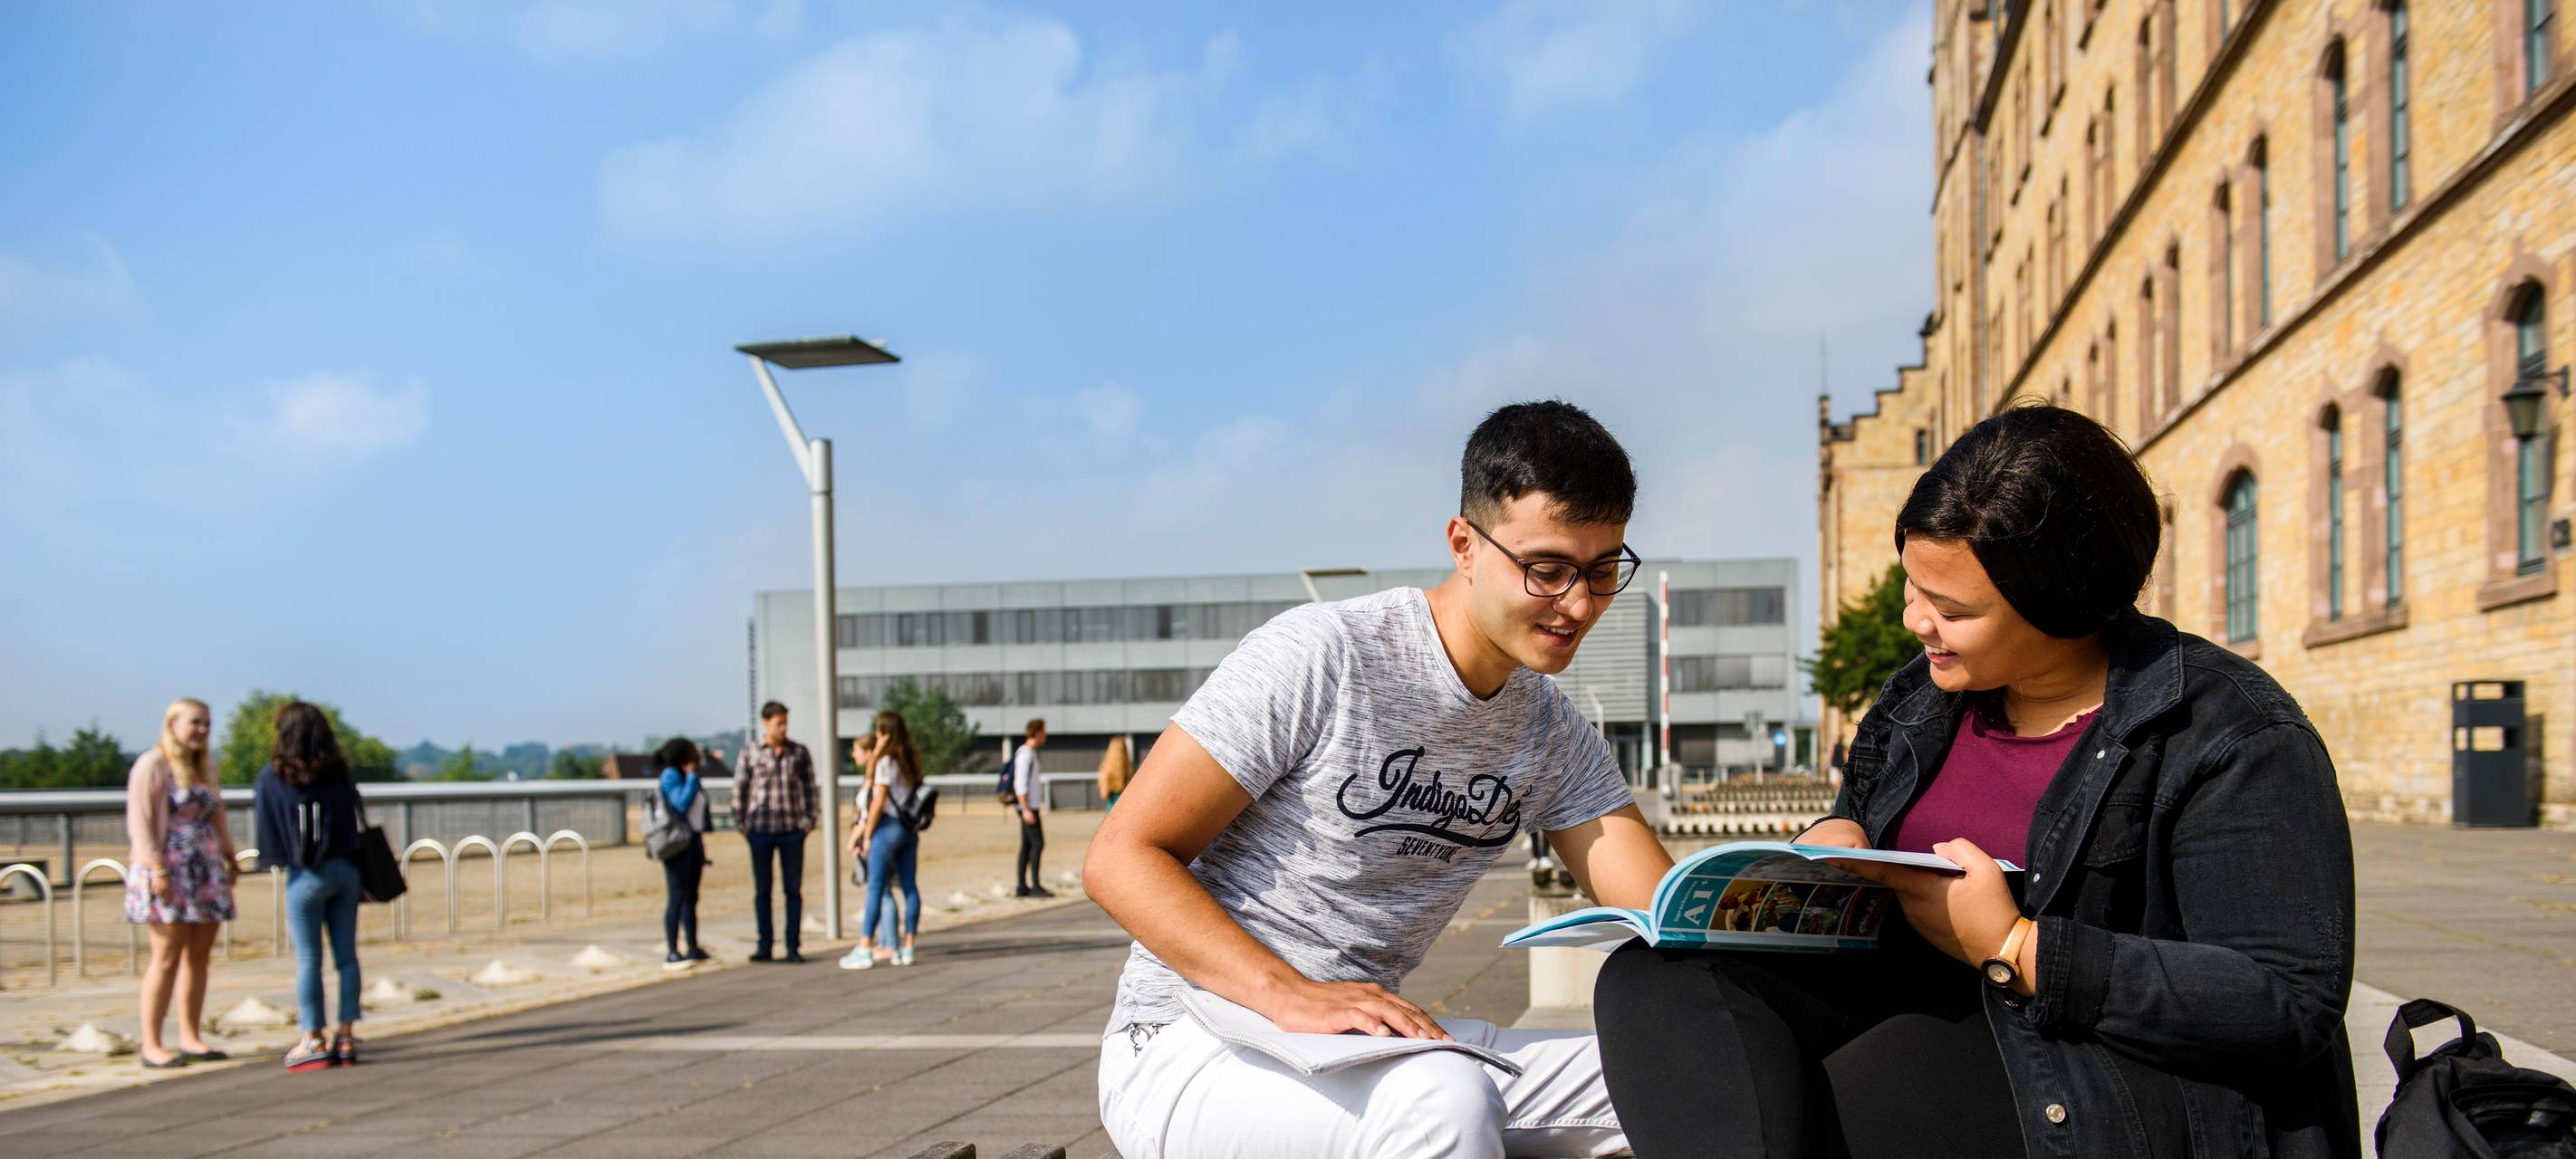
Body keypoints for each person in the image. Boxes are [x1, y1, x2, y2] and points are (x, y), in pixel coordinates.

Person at [1591, 404, 2359, 1159]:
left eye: (1950, 608)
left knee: (1848, 1099)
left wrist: (2016, 945)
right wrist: (1829, 850)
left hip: (2085, 1064)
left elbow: (2286, 1001)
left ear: (2062, 605)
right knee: (1652, 980)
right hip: (1902, 997)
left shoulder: (2227, 733)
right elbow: (1857, 834)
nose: (1914, 621)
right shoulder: (1917, 703)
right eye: (1911, 587)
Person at [1085, 400, 1675, 1159]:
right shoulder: (1325, 654)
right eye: (1548, 569)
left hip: (1364, 1049)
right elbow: (1121, 857)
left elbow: (1666, 909)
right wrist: (1284, 991)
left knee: (1686, 1076)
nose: (1580, 604)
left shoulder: (1551, 731)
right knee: (1443, 1101)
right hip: (1188, 1043)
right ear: (1464, 543)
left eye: (1602, 570)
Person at [254, 701, 370, 1073]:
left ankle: (313, 1039)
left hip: (305, 876)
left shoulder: (272, 777)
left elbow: (268, 833)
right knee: (347, 957)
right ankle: (347, 1035)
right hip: (346, 872)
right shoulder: (338, 772)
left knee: (308, 959)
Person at [123, 696, 237, 1068]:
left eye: (207, 723)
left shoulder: (204, 767)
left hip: (204, 872)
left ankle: (191, 1036)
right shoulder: (152, 764)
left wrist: (230, 854)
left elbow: (216, 814)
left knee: (199, 956)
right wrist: (155, 867)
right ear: (173, 724)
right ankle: (152, 1043)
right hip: (168, 872)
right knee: (166, 956)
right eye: (195, 723)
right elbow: (139, 822)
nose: (203, 730)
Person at [841, 711, 926, 970]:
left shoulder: (886, 761)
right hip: (908, 829)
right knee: (909, 887)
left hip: (887, 827)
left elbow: (878, 799)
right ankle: (907, 946)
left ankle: (865, 946)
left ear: (884, 733)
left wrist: (867, 834)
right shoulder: (910, 759)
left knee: (876, 887)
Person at [734, 700, 817, 963]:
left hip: (792, 829)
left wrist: (810, 820)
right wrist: (742, 823)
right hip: (761, 830)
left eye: (785, 723)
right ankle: (764, 944)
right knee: (763, 890)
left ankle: (793, 945)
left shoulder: (799, 752)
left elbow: (810, 788)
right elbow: (740, 789)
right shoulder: (750, 753)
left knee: (793, 889)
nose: (783, 728)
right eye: (779, 723)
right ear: (766, 722)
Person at [655, 737, 712, 969]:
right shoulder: (671, 775)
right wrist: (690, 777)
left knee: (691, 897)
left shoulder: (691, 775)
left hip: (693, 840)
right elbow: (680, 804)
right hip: (676, 844)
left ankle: (692, 946)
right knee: (677, 897)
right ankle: (672, 949)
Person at [1012, 719, 1050, 898]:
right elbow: (1020, 784)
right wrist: (1025, 808)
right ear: (1037, 732)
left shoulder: (1030, 753)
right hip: (1027, 807)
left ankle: (1022, 886)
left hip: (1028, 806)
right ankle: (1034, 885)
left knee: (1027, 846)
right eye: (1044, 731)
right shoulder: (1025, 754)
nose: (1046, 735)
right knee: (1037, 843)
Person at [1096, 736, 1132, 811]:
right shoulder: (1131, 770)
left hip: (1112, 811)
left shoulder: (1105, 771)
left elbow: (1104, 795)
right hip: (1128, 810)